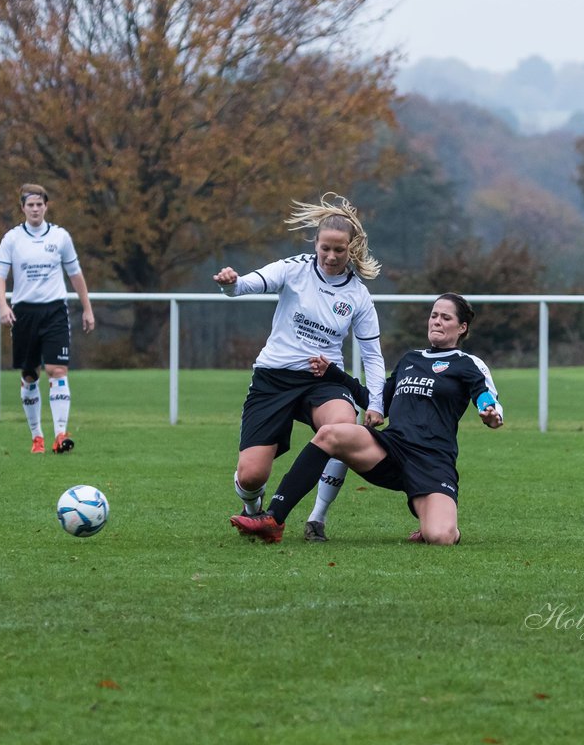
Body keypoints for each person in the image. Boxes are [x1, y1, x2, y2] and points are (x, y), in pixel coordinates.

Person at [231, 293, 503, 545]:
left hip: (432, 462)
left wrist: (490, 412)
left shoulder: (467, 363)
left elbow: (485, 396)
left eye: (446, 318)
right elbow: (375, 403)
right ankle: (273, 518)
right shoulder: (411, 359)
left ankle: (437, 523)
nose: (437, 321)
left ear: (462, 327)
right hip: (391, 450)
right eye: (434, 315)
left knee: (440, 537)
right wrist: (333, 374)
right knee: (332, 432)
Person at [214, 193, 386, 542]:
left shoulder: (357, 295)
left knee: (341, 428)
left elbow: (372, 355)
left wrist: (376, 401)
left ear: (351, 249)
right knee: (250, 476)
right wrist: (232, 283)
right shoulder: (293, 269)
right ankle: (254, 510)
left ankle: (316, 520)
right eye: (326, 248)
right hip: (273, 378)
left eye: (339, 250)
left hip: (322, 379)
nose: (331, 256)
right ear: (316, 243)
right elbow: (248, 285)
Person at [0, 183, 95, 454]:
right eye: (31, 205)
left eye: (40, 204)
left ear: (46, 206)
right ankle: (37, 436)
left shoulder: (60, 237)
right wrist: (3, 306)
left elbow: (75, 274)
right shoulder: (12, 239)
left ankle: (60, 434)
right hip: (25, 313)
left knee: (57, 370)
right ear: (23, 208)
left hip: (54, 312)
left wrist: (87, 308)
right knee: (30, 375)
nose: (36, 209)